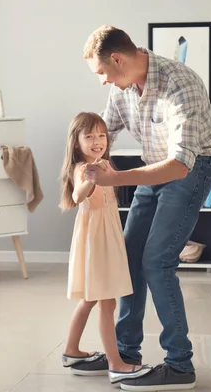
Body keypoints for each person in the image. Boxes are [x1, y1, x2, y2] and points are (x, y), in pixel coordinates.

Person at [70, 25, 211, 391]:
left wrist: (112, 180)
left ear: (118, 60)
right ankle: (124, 357)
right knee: (128, 256)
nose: (103, 83)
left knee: (156, 261)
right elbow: (103, 135)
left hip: (189, 169)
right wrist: (81, 163)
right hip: (153, 169)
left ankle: (180, 364)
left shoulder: (179, 84)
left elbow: (180, 165)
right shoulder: (123, 91)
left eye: (102, 73)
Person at [59, 112, 153, 385]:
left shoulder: (104, 164)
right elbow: (78, 196)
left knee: (92, 300)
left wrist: (106, 173)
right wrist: (93, 178)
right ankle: (115, 363)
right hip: (96, 244)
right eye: (89, 136)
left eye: (101, 135)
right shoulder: (83, 169)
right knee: (105, 302)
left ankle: (71, 350)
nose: (97, 141)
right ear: (77, 143)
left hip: (106, 239)